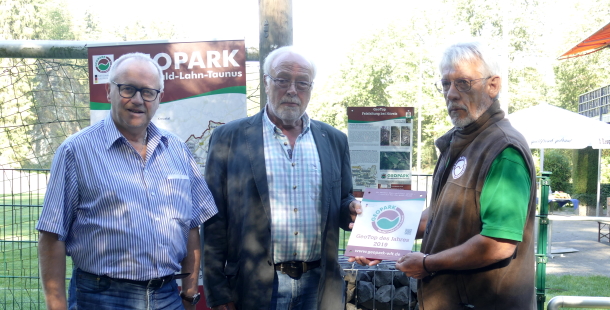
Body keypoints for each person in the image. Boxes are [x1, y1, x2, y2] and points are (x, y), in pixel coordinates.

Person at [36, 53, 218, 310]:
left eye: (147, 92)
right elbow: (52, 235)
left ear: (159, 98)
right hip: (101, 298)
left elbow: (191, 226)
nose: (137, 100)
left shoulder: (177, 150)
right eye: (128, 89)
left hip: (168, 296)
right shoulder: (76, 151)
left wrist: (188, 294)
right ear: (108, 91)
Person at [202, 46, 361, 310]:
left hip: (318, 286)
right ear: (266, 82)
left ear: (310, 89)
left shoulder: (334, 140)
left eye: (301, 83)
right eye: (283, 79)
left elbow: (343, 201)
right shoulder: (229, 138)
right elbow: (214, 219)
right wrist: (218, 292)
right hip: (255, 287)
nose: (291, 90)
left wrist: (352, 209)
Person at [395, 41, 537, 309]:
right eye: (445, 84)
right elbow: (439, 216)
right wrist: (379, 240)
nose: (451, 94)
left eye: (463, 83)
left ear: (493, 85)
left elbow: (498, 244)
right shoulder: (462, 142)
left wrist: (427, 264)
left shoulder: (503, 149)